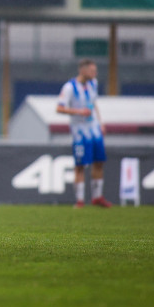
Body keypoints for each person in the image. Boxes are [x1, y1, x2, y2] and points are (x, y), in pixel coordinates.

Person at [57, 58, 111, 208]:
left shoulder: (93, 84)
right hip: (80, 131)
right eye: (92, 70)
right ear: (83, 70)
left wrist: (101, 123)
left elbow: (94, 104)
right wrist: (79, 111)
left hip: (94, 129)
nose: (95, 73)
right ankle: (80, 200)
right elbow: (59, 108)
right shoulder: (69, 87)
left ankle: (97, 197)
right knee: (80, 165)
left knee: (99, 162)